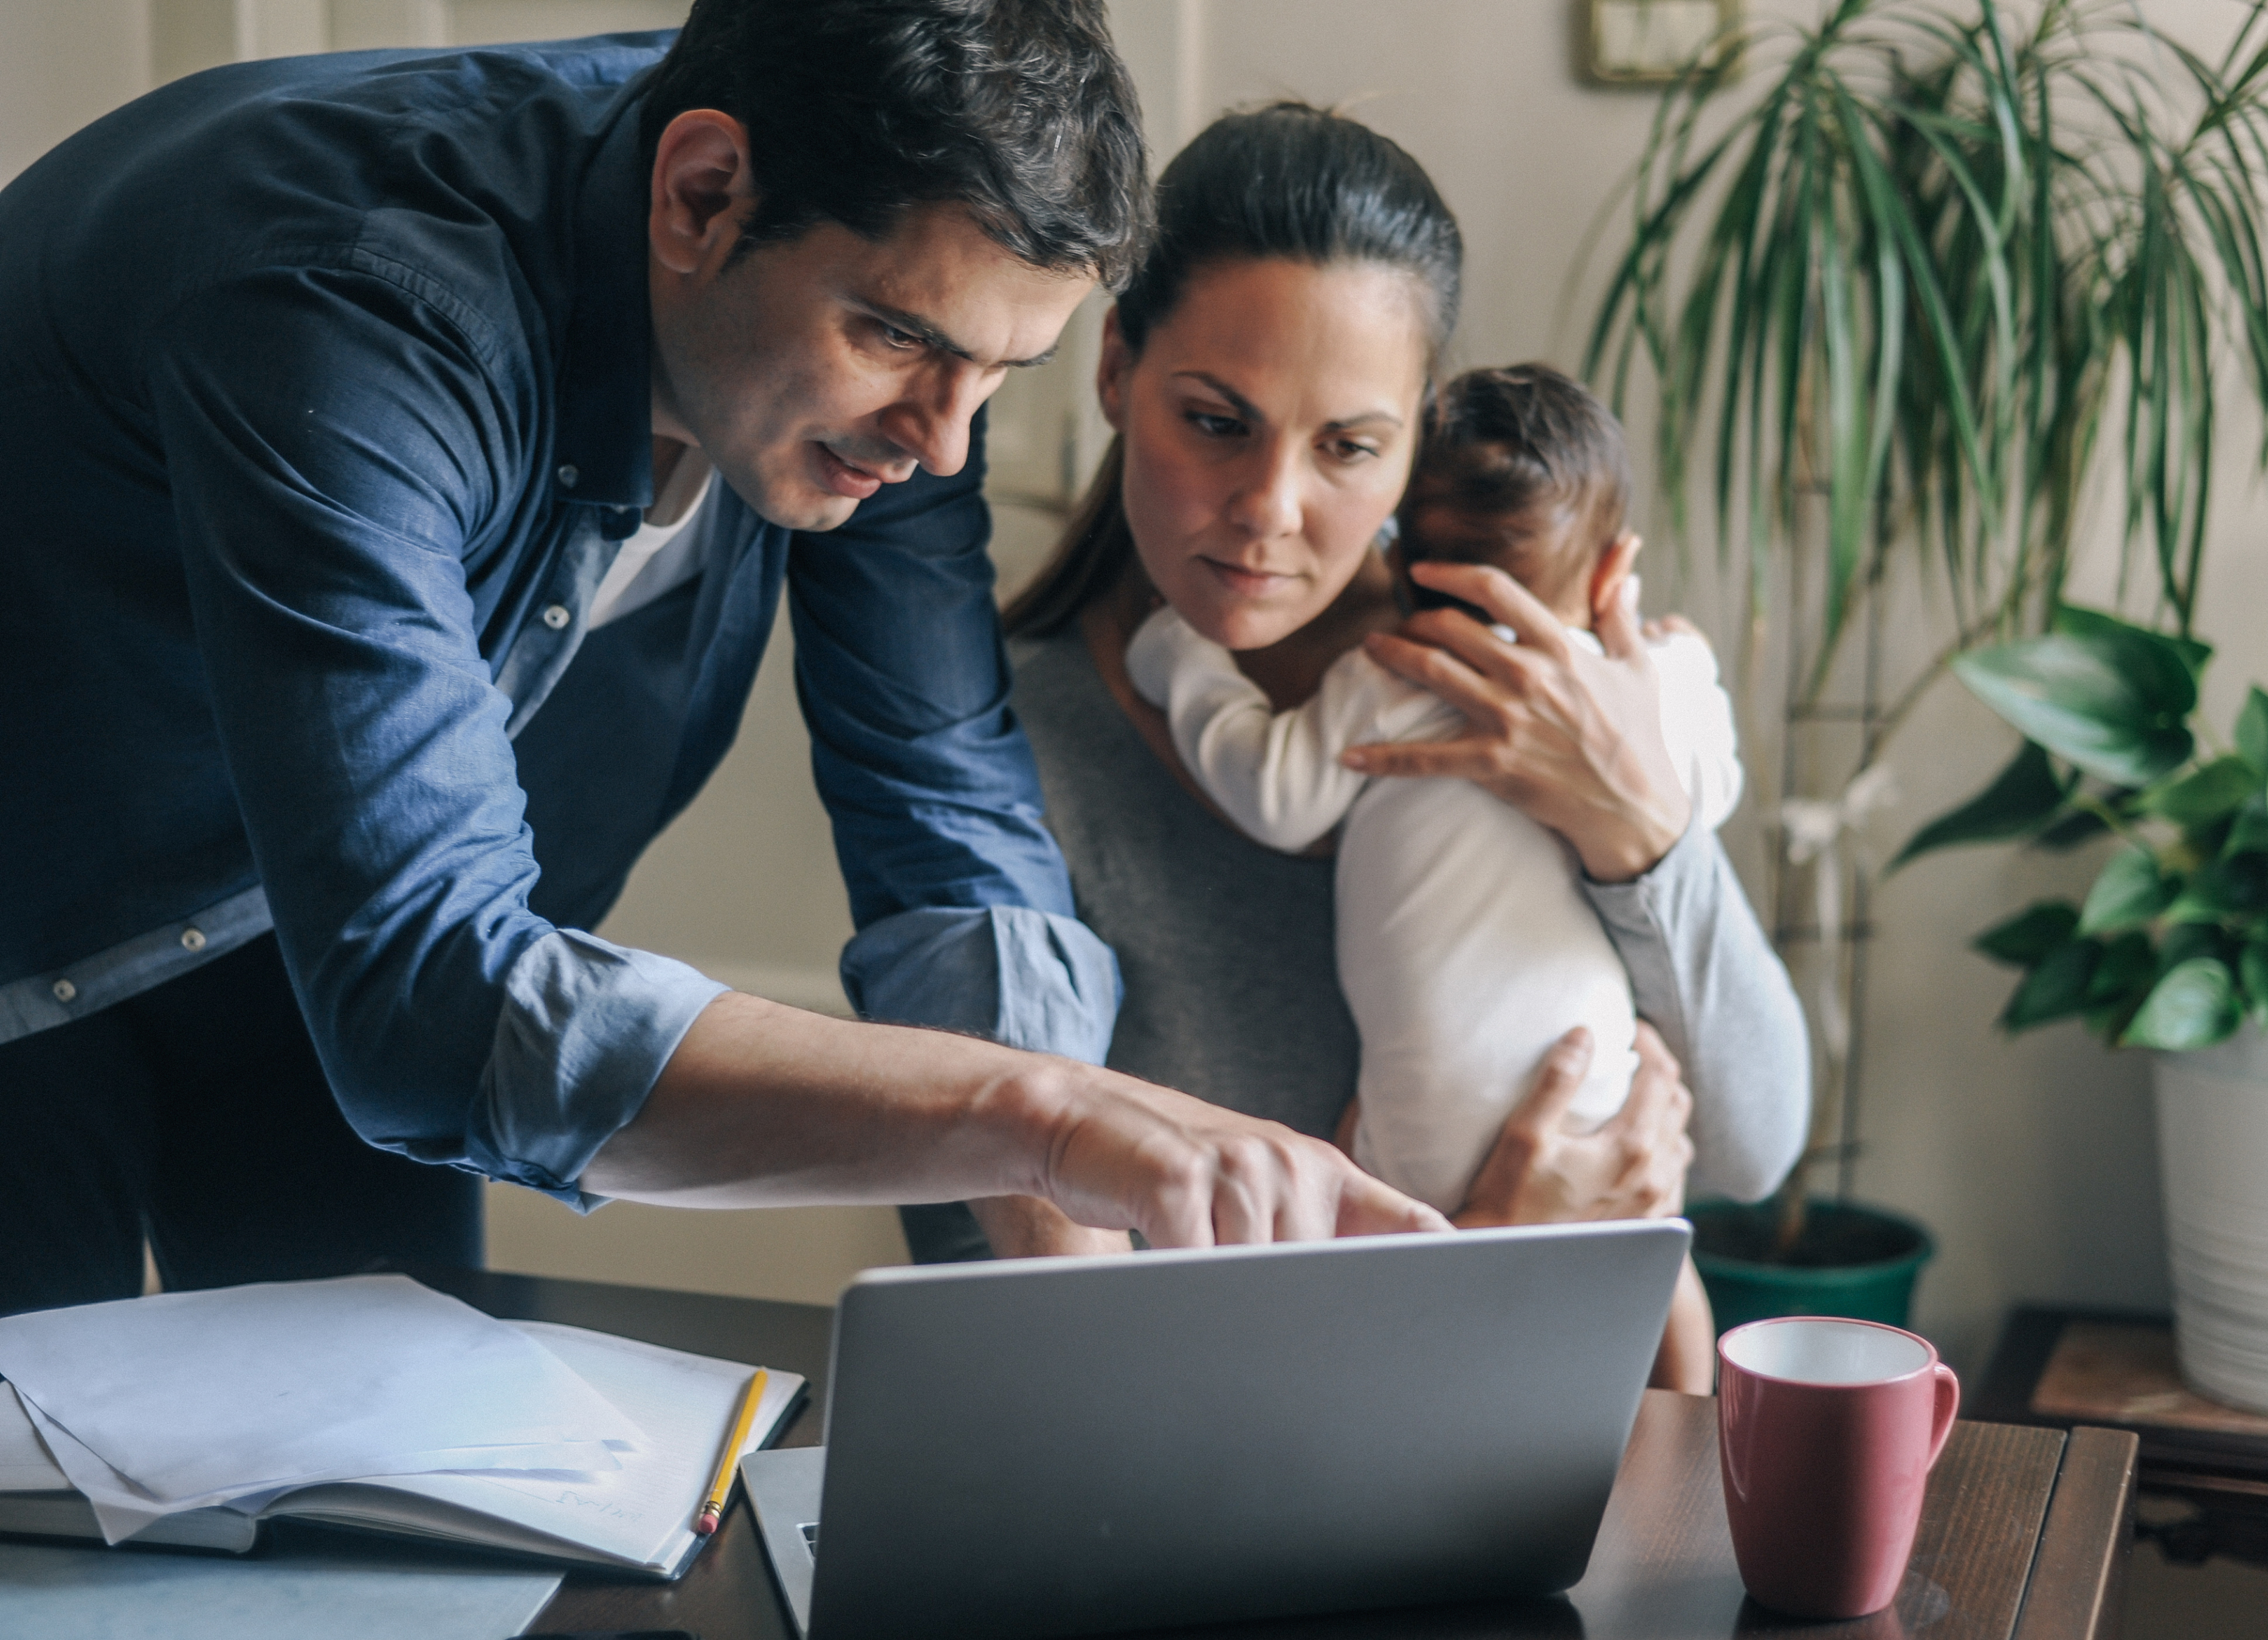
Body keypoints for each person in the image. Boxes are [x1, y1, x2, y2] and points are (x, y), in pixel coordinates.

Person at [0, 2, 1443, 1319]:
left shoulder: (905, 294)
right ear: (699, 195)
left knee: (361, 1521)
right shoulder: (355, 300)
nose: (943, 443)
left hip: (317, 948)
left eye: (998, 376)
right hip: (35, 917)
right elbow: (434, 999)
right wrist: (1054, 1120)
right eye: (898, 341)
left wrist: (1090, 1308)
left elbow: (938, 810)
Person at [938, 104, 1812, 1390]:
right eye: (1217, 421)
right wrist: (1467, 1259)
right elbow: (1057, 1344)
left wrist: (1641, 832)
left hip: (1556, 1466)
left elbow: (1752, 1149)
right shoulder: (989, 758)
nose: (1269, 511)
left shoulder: (1522, 695)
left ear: (1415, 444)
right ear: (1115, 365)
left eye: (1349, 445)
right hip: (1199, 1509)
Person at [1125, 362, 1745, 1216]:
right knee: (1651, 1251)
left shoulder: (1390, 679)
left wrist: (1182, 659)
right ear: (1614, 573)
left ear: (1396, 550)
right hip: (1593, 1088)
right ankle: (1695, 1353)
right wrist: (1693, 669)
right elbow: (1712, 794)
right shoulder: (1641, 696)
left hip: (1415, 1134)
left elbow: (1275, 793)